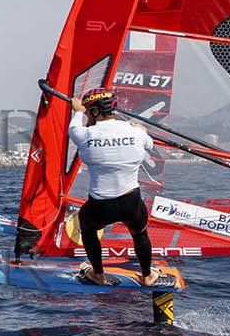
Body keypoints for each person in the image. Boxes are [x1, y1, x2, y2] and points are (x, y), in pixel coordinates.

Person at [68, 87, 161, 285]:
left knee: (86, 225)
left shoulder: (84, 134)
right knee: (140, 232)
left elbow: (73, 129)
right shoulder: (135, 132)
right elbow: (150, 145)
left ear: (94, 112)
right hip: (131, 202)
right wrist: (141, 131)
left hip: (101, 206)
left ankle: (98, 275)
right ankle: (147, 276)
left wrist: (77, 111)